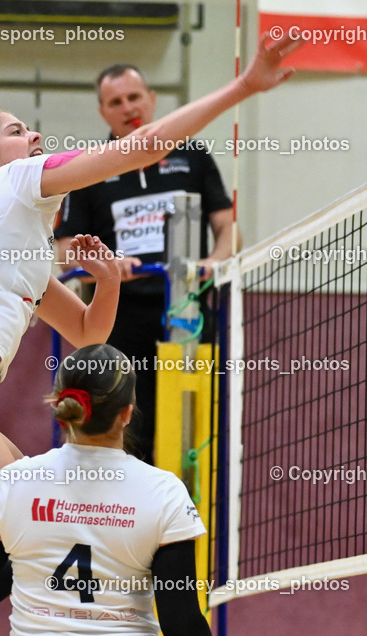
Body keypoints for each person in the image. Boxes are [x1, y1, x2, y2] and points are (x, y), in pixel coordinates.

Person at [0, 33, 302, 535]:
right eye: (18, 131)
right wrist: (244, 87)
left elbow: (87, 335)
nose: (34, 137)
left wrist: (106, 282)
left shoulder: (18, 242)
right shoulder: (12, 181)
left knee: (13, 563)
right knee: (44, 549)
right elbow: (137, 151)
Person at [0, 344, 225, 636]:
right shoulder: (163, 491)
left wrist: (32, 559)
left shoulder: (14, 481)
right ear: (127, 413)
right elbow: (181, 622)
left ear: (62, 406)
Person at [55, 63, 239, 463]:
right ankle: (127, 518)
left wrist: (213, 262)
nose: (128, 107)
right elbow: (65, 250)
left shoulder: (193, 156)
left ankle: (185, 520)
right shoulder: (90, 167)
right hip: (119, 318)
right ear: (103, 112)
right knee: (126, 429)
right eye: (116, 102)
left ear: (152, 100)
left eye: (135, 97)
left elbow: (228, 228)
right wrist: (106, 267)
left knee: (192, 431)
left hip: (187, 311)